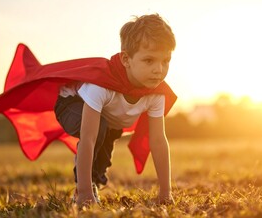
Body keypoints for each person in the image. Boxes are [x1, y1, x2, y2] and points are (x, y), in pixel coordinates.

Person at [53, 14, 176, 207]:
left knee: (101, 164)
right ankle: (83, 189)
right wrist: (84, 193)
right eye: (149, 60)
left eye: (165, 61)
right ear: (126, 59)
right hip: (71, 103)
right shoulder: (101, 85)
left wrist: (165, 193)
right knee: (98, 130)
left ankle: (95, 180)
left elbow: (158, 140)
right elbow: (88, 138)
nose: (158, 70)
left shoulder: (157, 93)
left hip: (111, 119)